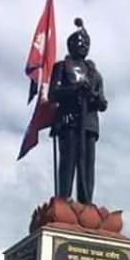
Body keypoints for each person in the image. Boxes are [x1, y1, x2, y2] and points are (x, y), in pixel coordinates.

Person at [49, 18, 107, 205]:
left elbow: (103, 102)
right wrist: (75, 89)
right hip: (69, 118)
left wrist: (97, 99)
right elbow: (53, 94)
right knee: (68, 160)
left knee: (87, 164)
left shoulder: (95, 74)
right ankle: (63, 198)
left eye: (87, 43)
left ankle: (86, 201)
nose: (84, 46)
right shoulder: (61, 67)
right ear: (71, 45)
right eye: (80, 43)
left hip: (89, 121)